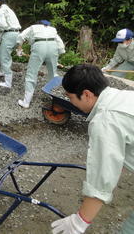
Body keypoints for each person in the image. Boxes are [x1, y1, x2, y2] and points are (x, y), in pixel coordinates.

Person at [51, 64, 134, 234]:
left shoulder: (105, 120)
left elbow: (102, 178)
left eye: (70, 97)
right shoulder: (123, 96)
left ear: (87, 94)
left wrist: (79, 222)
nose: (70, 102)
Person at [16, 20, 65, 108]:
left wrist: (19, 50)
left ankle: (26, 102)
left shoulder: (33, 27)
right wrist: (55, 59)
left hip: (39, 46)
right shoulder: (52, 29)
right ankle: (53, 96)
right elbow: (61, 45)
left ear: (39, 23)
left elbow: (21, 36)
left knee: (31, 73)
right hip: (53, 46)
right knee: (53, 73)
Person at [0, 0, 21, 88]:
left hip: (9, 34)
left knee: (5, 57)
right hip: (16, 34)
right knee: (1, 52)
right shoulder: (9, 9)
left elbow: (2, 25)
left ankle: (8, 82)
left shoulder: (1, 10)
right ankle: (4, 71)